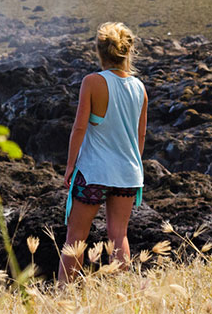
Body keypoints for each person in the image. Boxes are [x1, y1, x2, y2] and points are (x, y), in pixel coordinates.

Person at [57, 22, 148, 284]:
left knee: (76, 238)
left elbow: (79, 128)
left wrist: (70, 166)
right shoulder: (140, 89)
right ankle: (122, 293)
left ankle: (65, 295)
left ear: (99, 52)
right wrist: (133, 164)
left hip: (94, 173)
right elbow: (140, 136)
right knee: (119, 235)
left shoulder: (93, 82)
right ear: (127, 52)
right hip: (128, 173)